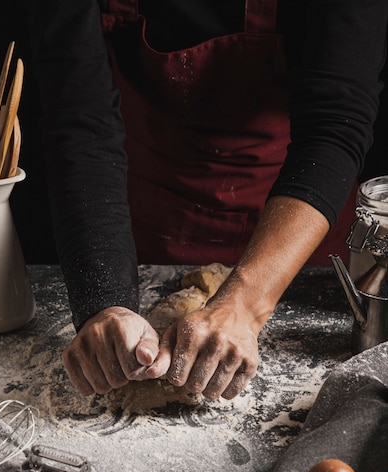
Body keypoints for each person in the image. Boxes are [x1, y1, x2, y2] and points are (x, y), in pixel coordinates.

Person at [25, 0, 388, 400]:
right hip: (138, 226)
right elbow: (79, 123)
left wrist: (246, 303)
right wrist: (106, 302)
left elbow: (336, 124)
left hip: (292, 238)